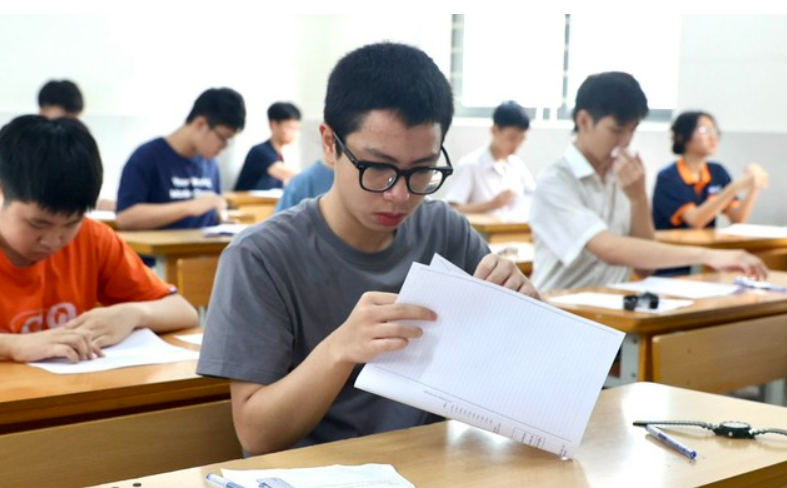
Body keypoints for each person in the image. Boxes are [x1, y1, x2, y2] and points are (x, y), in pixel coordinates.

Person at [198, 42, 537, 455]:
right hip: (313, 481)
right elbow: (257, 435)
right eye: (377, 168)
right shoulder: (259, 258)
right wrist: (339, 350)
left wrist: (528, 312)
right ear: (330, 144)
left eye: (422, 170)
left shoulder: (444, 231)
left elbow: (520, 374)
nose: (399, 195)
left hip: (432, 471)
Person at [528, 72, 767, 293]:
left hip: (608, 309)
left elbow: (645, 268)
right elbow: (608, 248)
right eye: (616, 130)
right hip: (558, 306)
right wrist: (708, 256)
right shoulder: (555, 181)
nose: (625, 141)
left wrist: (638, 197)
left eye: (632, 131)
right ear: (584, 121)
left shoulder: (621, 177)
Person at [0, 115, 197, 363]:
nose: (53, 240)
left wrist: (134, 313)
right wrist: (13, 346)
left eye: (71, 223)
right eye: (38, 223)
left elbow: (184, 311)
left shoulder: (92, 239)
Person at [115, 87, 246, 231]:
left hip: (204, 244)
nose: (224, 146)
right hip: (163, 245)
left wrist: (223, 220)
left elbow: (212, 208)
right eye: (223, 138)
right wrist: (189, 207)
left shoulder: (210, 162)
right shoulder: (147, 157)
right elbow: (125, 218)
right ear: (201, 124)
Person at [653, 111, 768, 230]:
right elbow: (695, 221)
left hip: (706, 241)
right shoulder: (668, 177)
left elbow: (737, 218)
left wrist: (754, 186)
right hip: (671, 241)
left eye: (714, 130)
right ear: (681, 137)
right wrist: (734, 188)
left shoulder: (717, 172)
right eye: (704, 130)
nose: (713, 137)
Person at [443, 101, 535, 221]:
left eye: (522, 139)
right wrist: (492, 205)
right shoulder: (470, 165)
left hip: (515, 230)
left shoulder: (517, 166)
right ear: (494, 130)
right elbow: (451, 210)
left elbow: (535, 198)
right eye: (512, 138)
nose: (517, 144)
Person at [234, 102, 302, 191]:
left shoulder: (279, 156)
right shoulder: (260, 152)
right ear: (274, 125)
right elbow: (287, 173)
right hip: (245, 199)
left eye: (297, 128)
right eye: (290, 127)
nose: (294, 133)